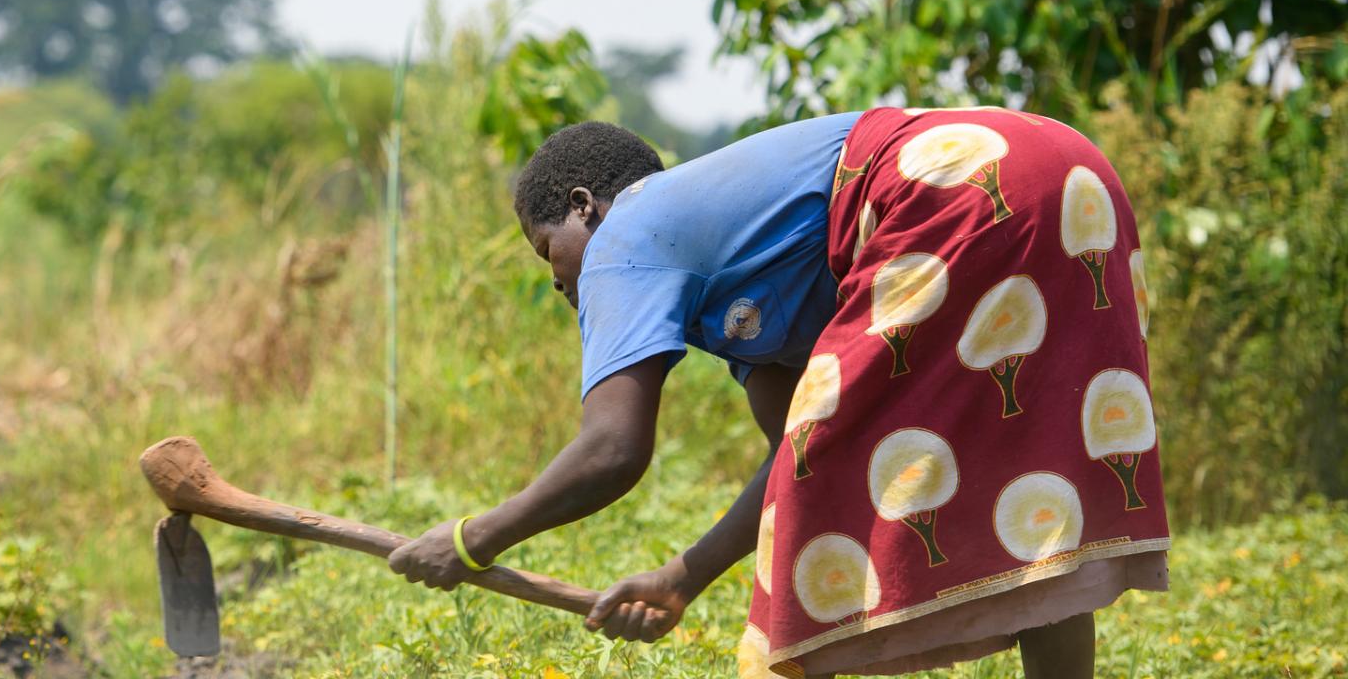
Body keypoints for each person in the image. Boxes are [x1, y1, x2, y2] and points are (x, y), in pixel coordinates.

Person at [387, 108, 1170, 677]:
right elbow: (801, 453)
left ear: (585, 206)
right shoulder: (741, 282)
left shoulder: (628, 233)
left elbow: (612, 449)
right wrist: (681, 578)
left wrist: (470, 539)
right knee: (1035, 466)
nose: (559, 278)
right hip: (1064, 169)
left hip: (947, 187)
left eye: (547, 249)